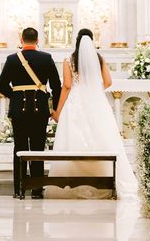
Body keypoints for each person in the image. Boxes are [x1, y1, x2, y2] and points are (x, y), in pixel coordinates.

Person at [46, 28, 137, 200]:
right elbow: (108, 82)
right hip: (97, 103)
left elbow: (66, 85)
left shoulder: (69, 60)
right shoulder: (99, 58)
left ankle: (71, 180)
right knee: (100, 136)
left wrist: (58, 110)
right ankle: (104, 179)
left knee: (73, 139)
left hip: (75, 103)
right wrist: (94, 90)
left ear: (77, 41)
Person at [0, 27, 61, 199]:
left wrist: (16, 96)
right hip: (40, 110)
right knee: (38, 149)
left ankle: (19, 189)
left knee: (20, 148)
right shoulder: (46, 58)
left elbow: (1, 86)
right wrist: (54, 107)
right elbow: (56, 85)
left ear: (21, 40)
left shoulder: (12, 59)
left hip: (19, 110)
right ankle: (37, 189)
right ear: (37, 41)